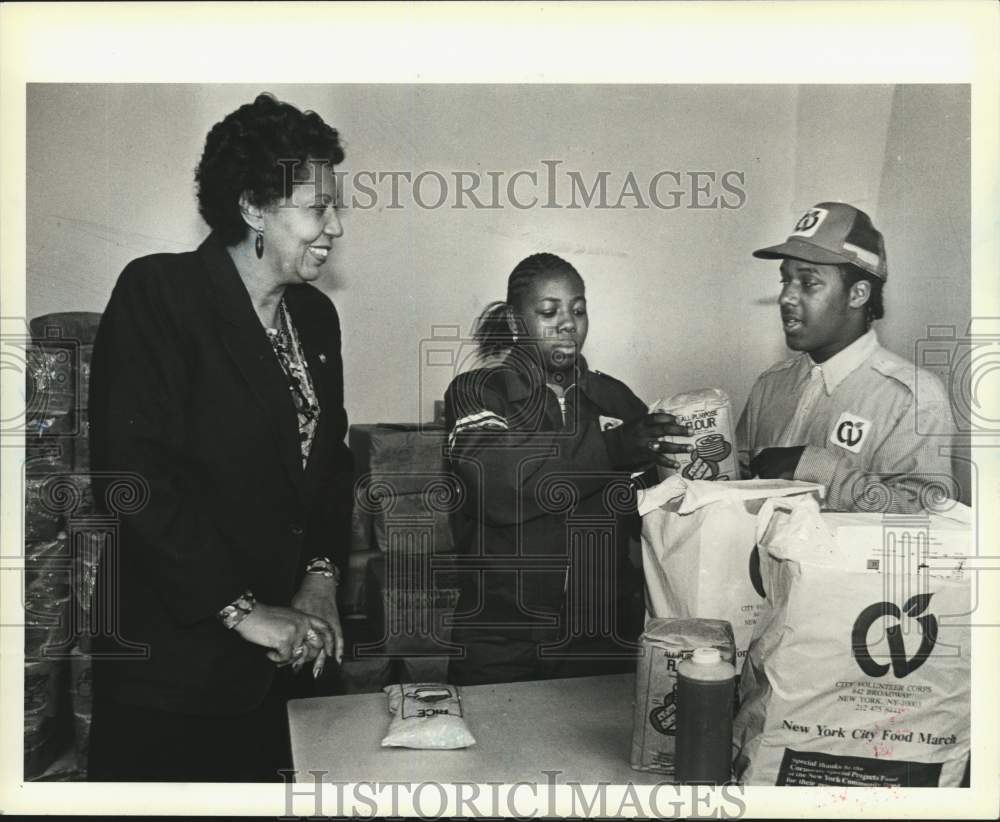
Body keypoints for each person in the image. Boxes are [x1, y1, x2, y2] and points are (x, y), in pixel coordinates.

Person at [86, 93, 354, 781]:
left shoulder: (315, 318)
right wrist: (242, 611)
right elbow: (132, 478)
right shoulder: (160, 293)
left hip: (289, 662)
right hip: (175, 674)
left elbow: (331, 466)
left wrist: (320, 576)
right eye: (318, 207)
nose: (335, 227)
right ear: (254, 207)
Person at [444, 253, 692, 686]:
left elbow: (655, 515)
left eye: (578, 310)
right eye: (548, 312)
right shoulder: (479, 393)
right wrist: (612, 448)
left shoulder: (614, 398)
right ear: (516, 321)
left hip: (601, 640)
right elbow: (499, 487)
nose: (567, 324)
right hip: (500, 638)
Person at [735, 201, 956, 513]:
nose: (786, 297)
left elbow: (925, 514)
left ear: (858, 294)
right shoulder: (770, 385)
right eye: (785, 280)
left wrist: (820, 470)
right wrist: (691, 453)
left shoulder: (912, 398)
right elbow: (737, 481)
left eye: (808, 282)